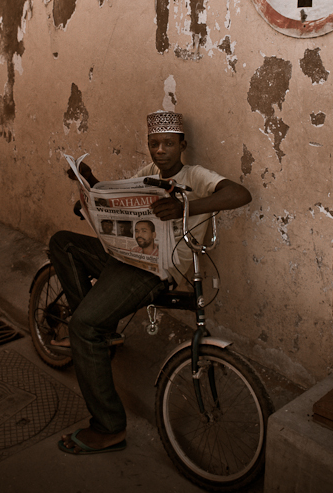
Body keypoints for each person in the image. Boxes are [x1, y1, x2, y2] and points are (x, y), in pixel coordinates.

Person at [49, 110, 251, 455]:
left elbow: (240, 194)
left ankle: (108, 427)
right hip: (127, 256)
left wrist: (186, 208)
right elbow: (115, 202)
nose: (161, 150)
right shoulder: (148, 175)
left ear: (182, 145)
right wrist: (88, 184)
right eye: (154, 143)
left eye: (168, 143)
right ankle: (102, 332)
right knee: (62, 242)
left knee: (82, 326)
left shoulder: (195, 175)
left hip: (159, 268)